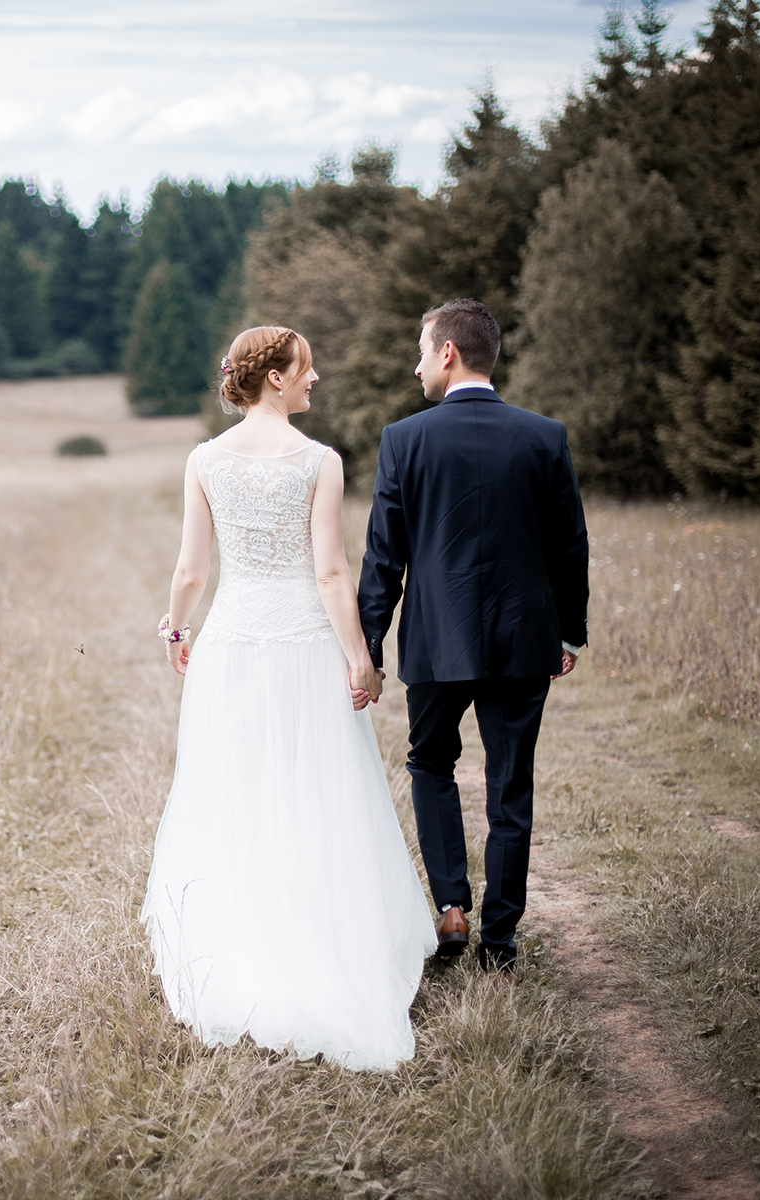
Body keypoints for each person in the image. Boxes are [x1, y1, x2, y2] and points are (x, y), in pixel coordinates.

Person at [141, 325, 438, 1071]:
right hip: (303, 643)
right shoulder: (318, 462)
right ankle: (325, 943)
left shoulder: (206, 459)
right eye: (306, 368)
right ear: (275, 376)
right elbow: (333, 575)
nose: (316, 379)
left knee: (233, 790)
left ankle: (238, 946)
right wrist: (360, 659)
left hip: (233, 643)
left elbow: (189, 570)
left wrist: (176, 631)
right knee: (313, 789)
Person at [356, 298, 590, 973]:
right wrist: (568, 633)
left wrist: (369, 646)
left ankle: (453, 905)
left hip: (436, 642)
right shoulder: (544, 436)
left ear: (449, 353)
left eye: (423, 349)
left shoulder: (405, 439)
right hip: (524, 641)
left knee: (430, 764)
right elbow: (569, 547)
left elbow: (383, 558)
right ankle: (500, 943)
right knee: (510, 783)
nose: (416, 363)